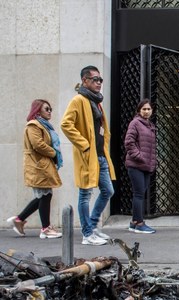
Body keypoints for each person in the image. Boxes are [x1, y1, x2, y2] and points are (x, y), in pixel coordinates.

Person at [61, 65, 116, 246]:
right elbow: (66, 124)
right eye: (95, 79)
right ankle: (87, 234)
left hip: (100, 156)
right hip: (88, 155)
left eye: (100, 80)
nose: (99, 83)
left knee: (108, 190)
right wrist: (84, 145)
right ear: (85, 80)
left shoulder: (96, 101)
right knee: (85, 194)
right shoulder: (79, 100)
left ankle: (92, 227)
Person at [7, 99, 63, 239]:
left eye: (51, 109)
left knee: (44, 195)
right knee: (45, 195)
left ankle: (19, 220)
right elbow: (37, 144)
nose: (50, 111)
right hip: (38, 165)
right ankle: (45, 228)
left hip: (41, 165)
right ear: (38, 110)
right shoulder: (34, 125)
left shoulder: (43, 125)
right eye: (47, 109)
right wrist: (54, 153)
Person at [124, 99, 157, 234]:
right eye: (144, 109)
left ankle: (133, 222)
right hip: (136, 165)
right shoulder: (135, 123)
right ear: (139, 111)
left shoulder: (150, 125)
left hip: (146, 166)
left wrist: (152, 161)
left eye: (149, 109)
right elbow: (129, 142)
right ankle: (139, 223)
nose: (146, 111)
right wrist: (140, 157)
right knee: (138, 194)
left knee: (140, 193)